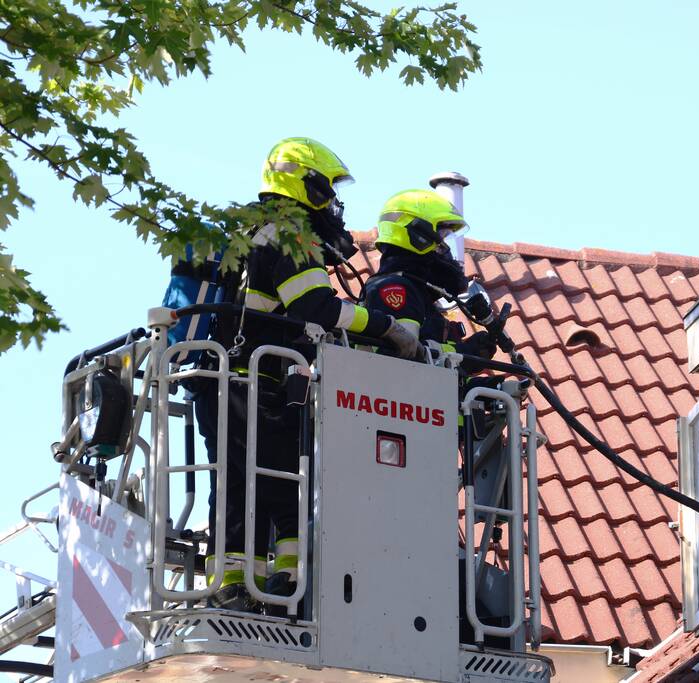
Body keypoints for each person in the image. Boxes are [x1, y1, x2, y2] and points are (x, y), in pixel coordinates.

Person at [208, 138, 421, 612]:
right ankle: (279, 589)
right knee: (280, 484)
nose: (333, 203)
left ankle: (240, 586)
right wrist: (387, 328)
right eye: (327, 190)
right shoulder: (290, 234)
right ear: (305, 184)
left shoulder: (243, 229)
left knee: (239, 482)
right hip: (255, 381)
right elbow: (318, 307)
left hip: (220, 374)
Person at [361, 189, 496, 358]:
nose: (445, 250)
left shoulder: (417, 292)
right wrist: (465, 354)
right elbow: (406, 358)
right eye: (441, 238)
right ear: (419, 236)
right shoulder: (395, 288)